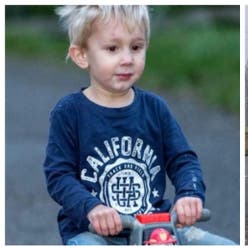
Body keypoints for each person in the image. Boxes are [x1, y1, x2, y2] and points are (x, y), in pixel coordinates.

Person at [43, 5, 235, 245]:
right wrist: (92, 208)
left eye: (136, 47)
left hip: (157, 227)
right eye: (112, 48)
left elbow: (183, 160)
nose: (127, 59)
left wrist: (189, 194)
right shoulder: (70, 112)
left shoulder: (155, 108)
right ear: (82, 55)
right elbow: (59, 176)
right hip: (93, 232)